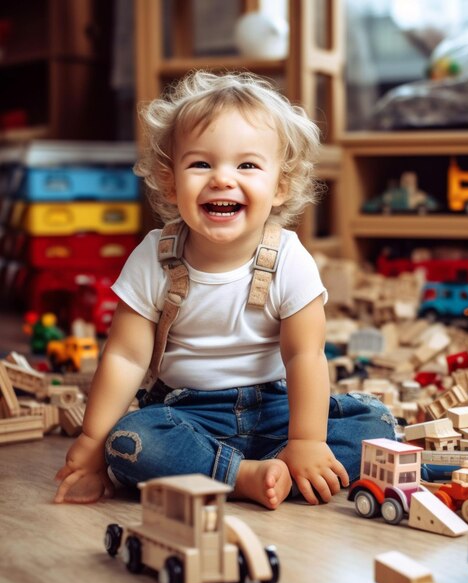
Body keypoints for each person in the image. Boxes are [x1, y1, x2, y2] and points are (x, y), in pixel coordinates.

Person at [54, 71, 396, 510]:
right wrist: (91, 441)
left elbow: (304, 356)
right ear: (170, 181)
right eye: (201, 164)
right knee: (129, 441)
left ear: (281, 186)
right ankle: (245, 476)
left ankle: (272, 464)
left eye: (247, 165)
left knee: (376, 421)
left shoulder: (290, 260)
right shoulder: (154, 258)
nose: (222, 179)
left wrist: (307, 440)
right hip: (188, 413)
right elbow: (126, 356)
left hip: (278, 409)